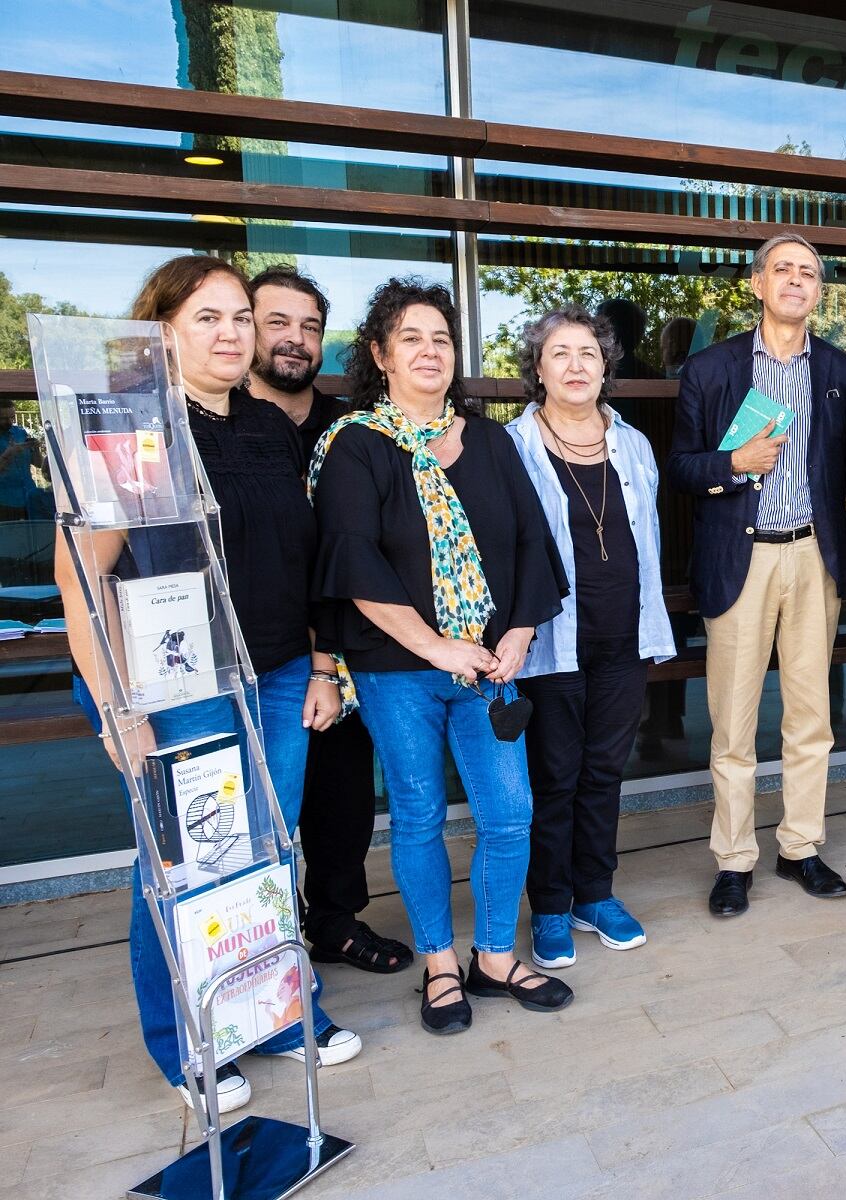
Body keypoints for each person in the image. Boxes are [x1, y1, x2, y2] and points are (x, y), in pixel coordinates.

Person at [54, 255, 359, 1114]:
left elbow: (299, 561)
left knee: (266, 855)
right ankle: (185, 1044)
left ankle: (269, 1015)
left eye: (239, 319)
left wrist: (323, 664)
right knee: (188, 867)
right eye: (208, 319)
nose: (230, 335)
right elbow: (84, 576)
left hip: (278, 673)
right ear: (163, 330)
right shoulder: (131, 424)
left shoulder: (266, 425)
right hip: (173, 682)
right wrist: (117, 705)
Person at [310, 278, 572, 1033]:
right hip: (400, 673)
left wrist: (518, 632)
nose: (430, 351)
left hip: (488, 668)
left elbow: (531, 540)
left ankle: (492, 956)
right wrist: (434, 644)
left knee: (509, 813)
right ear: (381, 355)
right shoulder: (357, 445)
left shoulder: (487, 440)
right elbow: (354, 562)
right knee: (420, 815)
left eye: (442, 339)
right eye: (413, 338)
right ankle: (438, 963)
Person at [669, 232, 846, 917]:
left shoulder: (838, 371)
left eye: (808, 273)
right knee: (734, 723)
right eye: (783, 270)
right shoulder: (711, 370)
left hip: (813, 555)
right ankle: (734, 859)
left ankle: (801, 847)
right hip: (740, 558)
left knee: (811, 719)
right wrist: (733, 464)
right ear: (756, 284)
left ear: (817, 291)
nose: (796, 281)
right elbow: (682, 469)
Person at [245, 266, 410, 976]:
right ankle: (262, 943)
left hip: (343, 644)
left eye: (309, 327)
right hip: (252, 647)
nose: (294, 340)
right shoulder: (218, 422)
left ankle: (336, 923)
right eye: (277, 323)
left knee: (342, 794)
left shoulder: (347, 427)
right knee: (258, 812)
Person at [507, 306, 675, 965]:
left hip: (625, 635)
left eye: (588, 353)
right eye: (560, 353)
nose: (576, 365)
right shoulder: (514, 446)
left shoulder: (632, 442)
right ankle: (549, 905)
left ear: (606, 367)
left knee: (605, 770)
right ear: (539, 369)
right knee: (555, 776)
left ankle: (594, 893)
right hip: (551, 638)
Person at [0, 398, 47, 520]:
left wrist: (35, 448)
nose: (9, 422)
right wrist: (8, 454)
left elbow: (38, 464)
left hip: (30, 496)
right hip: (5, 500)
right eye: (4, 418)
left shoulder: (20, 432)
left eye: (12, 417)